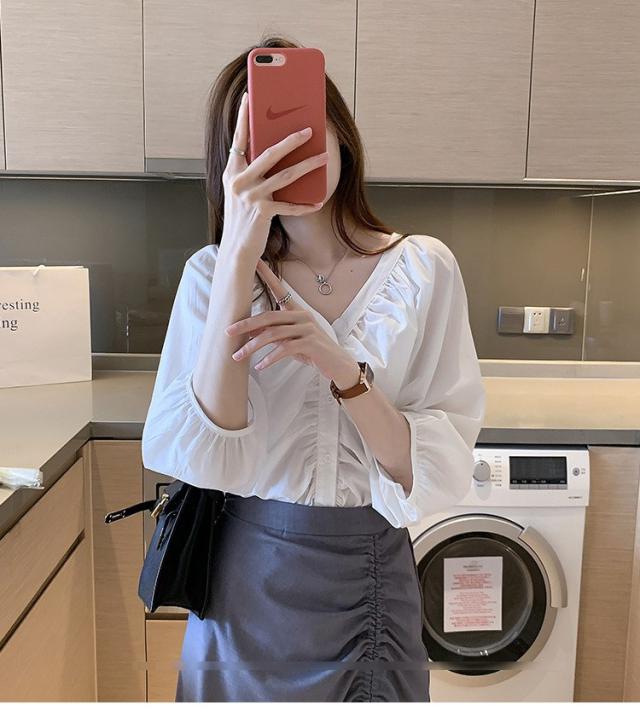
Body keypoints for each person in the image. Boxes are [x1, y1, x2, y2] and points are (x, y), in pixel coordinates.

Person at [141, 35, 486, 703]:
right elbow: (208, 456)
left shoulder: (424, 270)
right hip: (247, 586)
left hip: (370, 585)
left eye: (303, 124)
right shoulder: (212, 276)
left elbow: (427, 471)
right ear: (229, 162)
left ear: (340, 134)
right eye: (260, 140)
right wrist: (238, 253)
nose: (288, 150)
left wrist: (344, 371)